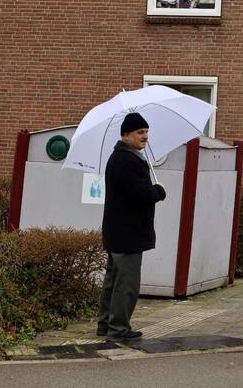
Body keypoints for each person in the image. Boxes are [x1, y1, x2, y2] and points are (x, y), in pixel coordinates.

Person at [98, 112, 167, 340]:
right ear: (126, 134)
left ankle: (105, 325)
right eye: (140, 132)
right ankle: (119, 329)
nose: (145, 136)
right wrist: (158, 191)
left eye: (146, 132)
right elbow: (139, 194)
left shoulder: (120, 157)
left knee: (113, 281)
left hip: (118, 232)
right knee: (126, 284)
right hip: (128, 233)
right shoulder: (127, 160)